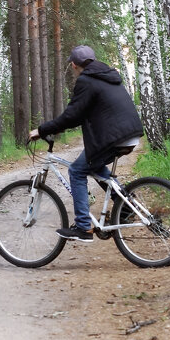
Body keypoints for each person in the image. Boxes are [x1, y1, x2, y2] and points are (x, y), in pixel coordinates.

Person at [28, 45, 145, 242]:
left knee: (77, 170)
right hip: (129, 133)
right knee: (95, 165)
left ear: (74, 65)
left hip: (114, 137)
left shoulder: (86, 81)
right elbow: (81, 114)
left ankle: (82, 227)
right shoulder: (108, 76)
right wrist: (58, 127)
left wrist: (41, 130)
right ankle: (126, 205)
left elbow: (72, 115)